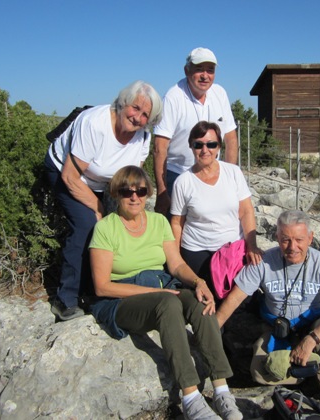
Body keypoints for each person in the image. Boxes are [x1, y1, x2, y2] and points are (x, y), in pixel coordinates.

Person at [88, 165, 242, 420]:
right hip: (121, 298)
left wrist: (199, 282)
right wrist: (153, 292)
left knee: (198, 302)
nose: (134, 197)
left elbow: (176, 264)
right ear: (116, 194)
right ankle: (191, 398)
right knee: (166, 303)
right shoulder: (106, 228)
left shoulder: (159, 222)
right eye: (126, 191)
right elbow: (102, 286)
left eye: (140, 191)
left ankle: (222, 389)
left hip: (161, 287)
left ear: (147, 193)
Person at [216, 210, 320, 412]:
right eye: (285, 240)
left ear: (310, 238)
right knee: (259, 372)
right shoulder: (263, 262)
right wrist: (212, 330)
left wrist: (311, 340)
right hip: (278, 326)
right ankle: (306, 375)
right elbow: (235, 298)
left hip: (313, 324)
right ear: (277, 237)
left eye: (299, 240)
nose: (292, 247)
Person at [44, 81, 163, 321]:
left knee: (115, 226)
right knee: (88, 224)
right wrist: (98, 209)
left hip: (102, 181)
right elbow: (70, 176)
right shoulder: (95, 124)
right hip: (66, 172)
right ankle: (65, 298)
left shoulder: (142, 137)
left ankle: (99, 289)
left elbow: (129, 179)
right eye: (135, 108)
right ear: (122, 103)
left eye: (145, 115)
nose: (138, 117)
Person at [170, 121, 262, 298]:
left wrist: (252, 246)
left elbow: (246, 211)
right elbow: (177, 223)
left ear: (219, 146)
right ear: (191, 147)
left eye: (211, 144)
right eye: (198, 145)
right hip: (197, 250)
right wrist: (175, 260)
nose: (205, 150)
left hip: (232, 249)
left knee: (239, 299)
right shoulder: (183, 182)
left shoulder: (233, 173)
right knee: (206, 298)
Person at [153, 47, 238, 215]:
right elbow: (159, 148)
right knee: (176, 225)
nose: (205, 75)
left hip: (213, 172)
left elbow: (231, 139)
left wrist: (229, 177)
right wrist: (162, 192)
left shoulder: (220, 94)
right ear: (187, 70)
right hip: (178, 173)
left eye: (210, 70)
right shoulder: (173, 97)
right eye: (199, 69)